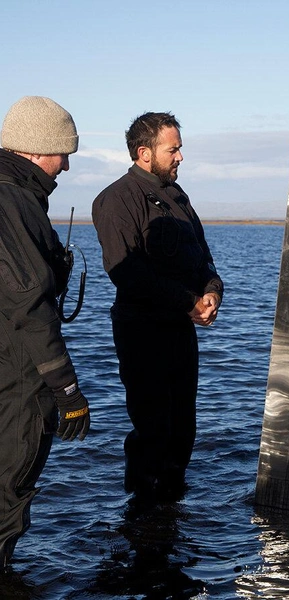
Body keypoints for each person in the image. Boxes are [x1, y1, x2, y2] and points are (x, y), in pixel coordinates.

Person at [92, 112, 223, 503]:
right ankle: (143, 521)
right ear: (144, 153)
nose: (180, 156)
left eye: (180, 148)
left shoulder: (179, 198)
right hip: (142, 331)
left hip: (180, 332)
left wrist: (212, 293)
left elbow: (204, 260)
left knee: (183, 429)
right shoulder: (116, 199)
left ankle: (172, 509)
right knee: (153, 429)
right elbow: (127, 273)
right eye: (174, 149)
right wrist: (187, 303)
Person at [0, 96, 91, 568]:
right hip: (16, 383)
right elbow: (31, 308)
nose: (67, 167)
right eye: (64, 154)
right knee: (5, 501)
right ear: (37, 151)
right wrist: (68, 391)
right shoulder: (11, 202)